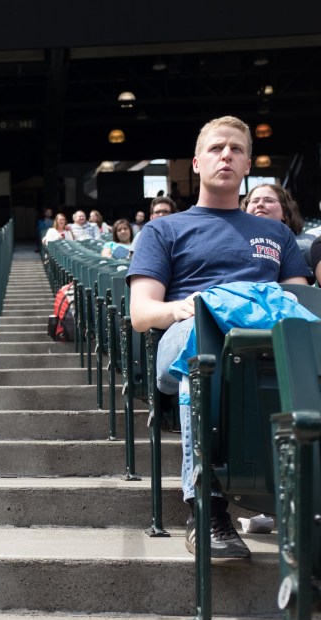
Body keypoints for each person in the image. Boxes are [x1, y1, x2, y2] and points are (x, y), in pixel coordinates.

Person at [127, 115, 309, 560]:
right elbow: (141, 314)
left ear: (248, 164)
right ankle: (207, 510)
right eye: (215, 148)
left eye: (236, 149)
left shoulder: (277, 234)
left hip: (257, 340)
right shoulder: (164, 229)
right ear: (195, 163)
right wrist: (184, 308)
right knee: (200, 348)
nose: (225, 155)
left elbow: (300, 307)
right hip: (189, 337)